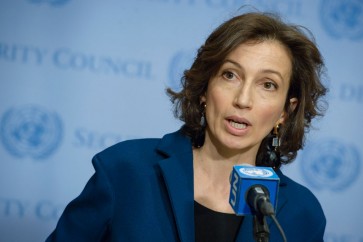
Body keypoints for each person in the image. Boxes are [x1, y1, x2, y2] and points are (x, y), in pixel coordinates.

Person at [46, 11, 327, 242]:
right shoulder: (125, 171)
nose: (243, 100)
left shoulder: (302, 214)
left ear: (285, 112)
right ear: (205, 88)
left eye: (268, 85)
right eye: (230, 75)